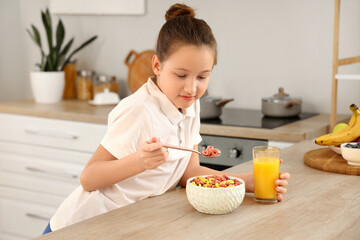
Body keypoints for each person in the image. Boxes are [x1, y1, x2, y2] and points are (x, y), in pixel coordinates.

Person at [43, 3, 290, 234]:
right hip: (81, 226)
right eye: (181, 75)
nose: (192, 88)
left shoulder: (190, 106)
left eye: (202, 77)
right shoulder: (140, 111)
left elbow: (188, 173)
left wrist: (247, 182)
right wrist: (140, 161)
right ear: (157, 66)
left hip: (126, 223)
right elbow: (89, 179)